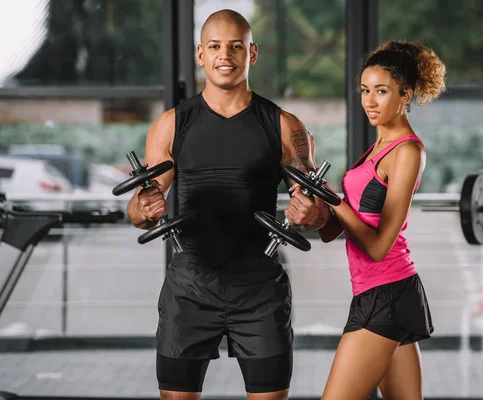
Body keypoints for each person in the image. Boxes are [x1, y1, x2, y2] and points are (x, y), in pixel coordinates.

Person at [126, 9, 331, 400]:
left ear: (251, 53)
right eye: (215, 46)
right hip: (189, 285)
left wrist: (312, 214)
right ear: (200, 54)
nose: (225, 55)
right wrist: (143, 208)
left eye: (236, 46)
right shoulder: (171, 123)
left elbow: (317, 209)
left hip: (259, 285)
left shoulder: (285, 126)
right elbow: (139, 211)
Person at [287, 40, 447, 399]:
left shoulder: (407, 151)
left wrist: (331, 197)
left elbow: (377, 246)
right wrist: (314, 207)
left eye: (381, 91)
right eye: (364, 90)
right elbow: (338, 229)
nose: (369, 101)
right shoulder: (375, 149)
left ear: (405, 94)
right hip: (378, 292)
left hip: (387, 292)